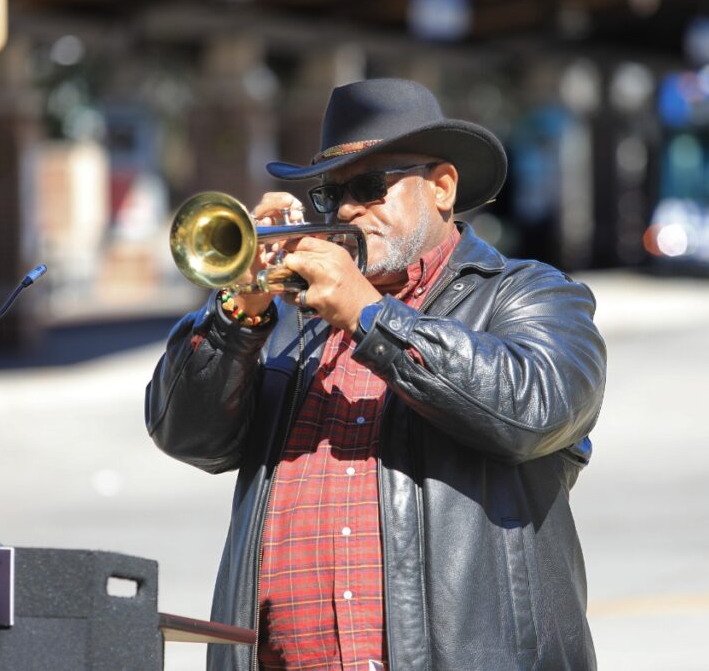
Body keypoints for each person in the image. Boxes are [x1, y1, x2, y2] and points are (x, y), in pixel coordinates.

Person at [146, 78, 607, 671]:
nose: (344, 211)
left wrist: (368, 316)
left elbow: (536, 409)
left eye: (369, 186)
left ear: (441, 187)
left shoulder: (530, 293)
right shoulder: (287, 315)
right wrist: (241, 308)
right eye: (327, 195)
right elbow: (185, 435)